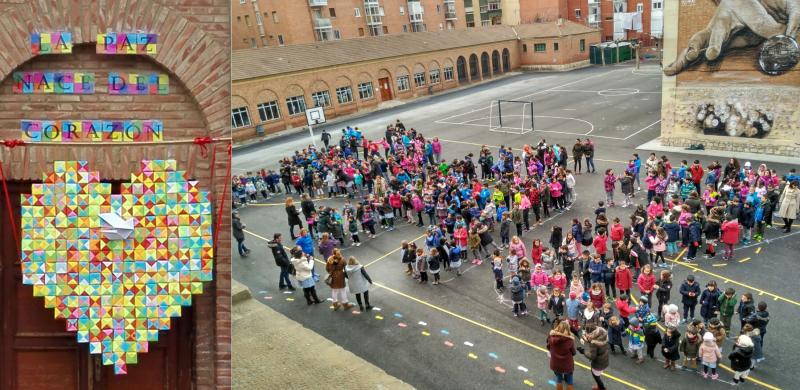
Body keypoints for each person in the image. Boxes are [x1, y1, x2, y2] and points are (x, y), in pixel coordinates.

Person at [577, 324, 609, 390]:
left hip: (598, 363)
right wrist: (589, 340)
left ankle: (601, 387)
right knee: (597, 374)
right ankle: (600, 387)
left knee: (596, 376)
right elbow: (596, 342)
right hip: (605, 359)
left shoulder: (594, 343)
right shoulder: (602, 333)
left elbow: (592, 356)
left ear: (591, 333)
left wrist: (583, 351)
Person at [547, 321, 577, 390]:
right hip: (567, 364)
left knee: (559, 379)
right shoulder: (569, 340)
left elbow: (548, 347)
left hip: (556, 363)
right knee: (570, 380)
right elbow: (574, 352)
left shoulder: (551, 338)